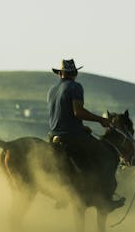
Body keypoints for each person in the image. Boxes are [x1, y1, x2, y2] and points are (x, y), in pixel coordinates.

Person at [47, 59, 125, 211]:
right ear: (75, 73)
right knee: (106, 155)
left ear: (60, 73)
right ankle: (105, 199)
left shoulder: (52, 90)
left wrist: (82, 128)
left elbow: (64, 115)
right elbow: (78, 112)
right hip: (72, 137)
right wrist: (100, 120)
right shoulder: (75, 87)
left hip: (54, 136)